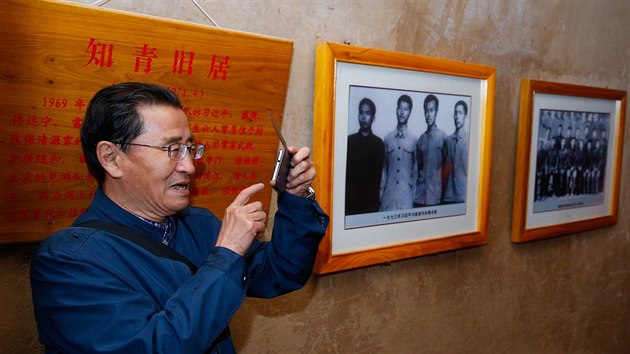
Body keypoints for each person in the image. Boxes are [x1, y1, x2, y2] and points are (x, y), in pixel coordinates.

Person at [30, 82, 329, 353]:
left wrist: (297, 198)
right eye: (172, 149)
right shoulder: (67, 262)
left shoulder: (198, 223)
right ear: (111, 158)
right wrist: (225, 256)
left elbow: (280, 273)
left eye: (189, 148)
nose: (188, 165)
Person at [345, 98, 385, 215]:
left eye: (367, 113)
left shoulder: (379, 144)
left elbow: (379, 178)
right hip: (350, 203)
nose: (363, 117)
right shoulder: (349, 141)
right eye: (361, 113)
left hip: (371, 204)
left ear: (373, 117)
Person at [380, 94, 418, 211]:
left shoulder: (414, 140)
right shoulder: (388, 139)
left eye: (406, 109)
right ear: (396, 110)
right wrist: (381, 196)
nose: (402, 112)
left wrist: (413, 198)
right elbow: (384, 170)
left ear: (410, 113)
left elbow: (415, 172)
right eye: (400, 108)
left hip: (406, 200)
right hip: (388, 200)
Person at [414, 94, 447, 207]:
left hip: (436, 196)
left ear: (436, 112)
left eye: (431, 110)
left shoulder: (443, 137)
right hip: (420, 197)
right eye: (426, 111)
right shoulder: (420, 140)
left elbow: (446, 169)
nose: (429, 115)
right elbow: (418, 169)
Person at [441, 100, 469, 204]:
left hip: (463, 197)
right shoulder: (448, 141)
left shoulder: (470, 140)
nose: (457, 116)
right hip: (448, 197)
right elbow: (443, 171)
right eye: (455, 113)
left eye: (460, 113)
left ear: (465, 116)